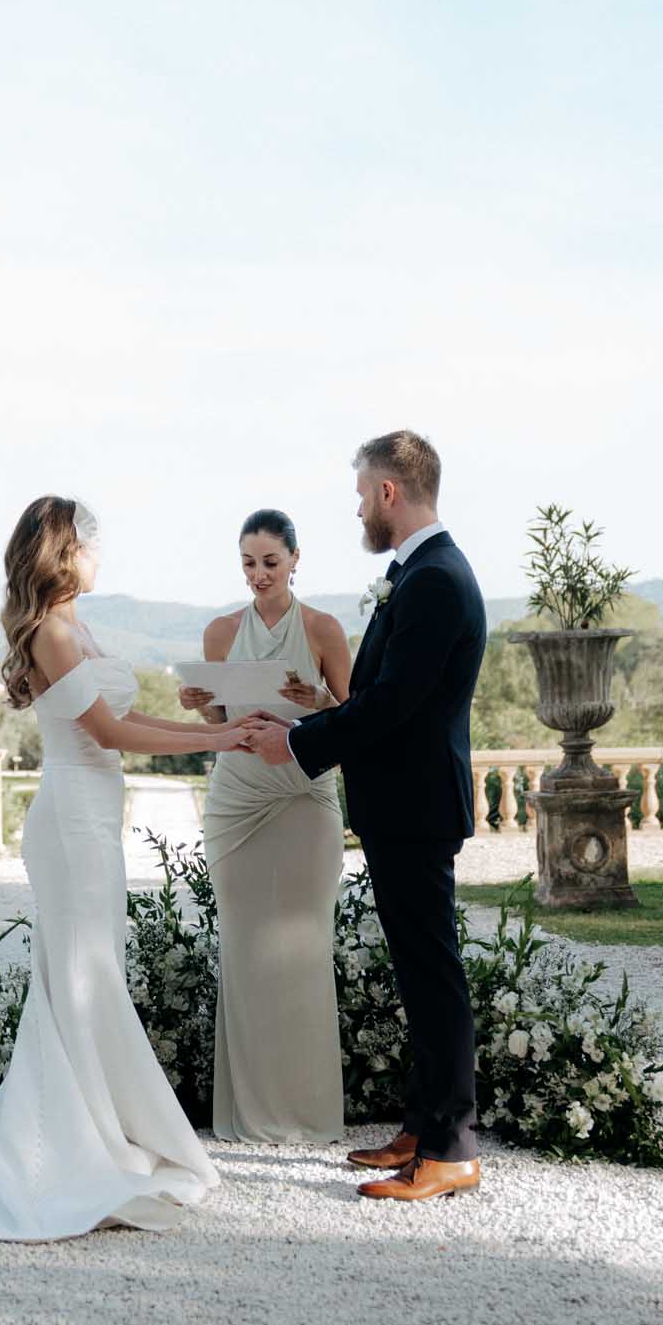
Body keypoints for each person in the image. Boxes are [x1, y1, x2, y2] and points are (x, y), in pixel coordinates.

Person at [0, 498, 244, 1243]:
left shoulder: (76, 626)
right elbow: (112, 730)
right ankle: (75, 1149)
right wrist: (220, 740)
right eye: (89, 543)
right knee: (84, 980)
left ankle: (103, 1132)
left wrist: (216, 731)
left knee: (92, 974)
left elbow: (126, 730)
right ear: (63, 552)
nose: (98, 554)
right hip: (69, 824)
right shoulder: (53, 633)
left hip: (93, 818)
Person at [242, 431, 487, 1204]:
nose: (356, 507)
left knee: (432, 972)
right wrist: (310, 713)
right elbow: (374, 693)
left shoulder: (436, 580)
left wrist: (300, 743)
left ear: (389, 492)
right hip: (399, 803)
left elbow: (393, 703)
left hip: (416, 805)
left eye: (360, 493)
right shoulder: (412, 574)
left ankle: (450, 1149)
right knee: (419, 972)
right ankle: (423, 1124)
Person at [179, 509, 350, 1143]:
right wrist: (201, 705)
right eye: (248, 562)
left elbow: (359, 722)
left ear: (296, 560)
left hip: (306, 801)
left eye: (270, 562)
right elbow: (221, 727)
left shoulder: (325, 630)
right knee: (246, 954)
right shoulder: (220, 632)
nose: (258, 574)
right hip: (237, 805)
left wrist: (321, 704)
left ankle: (307, 1113)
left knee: (306, 952)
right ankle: (248, 1114)